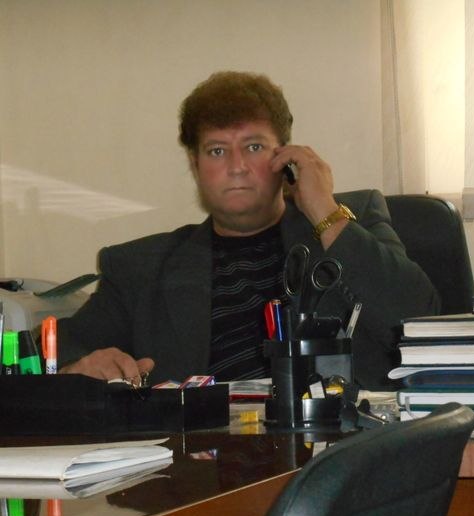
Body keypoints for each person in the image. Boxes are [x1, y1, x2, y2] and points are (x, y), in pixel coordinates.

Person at [57, 71, 440, 390]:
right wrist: (79, 367)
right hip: (206, 450)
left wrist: (325, 212)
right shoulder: (140, 268)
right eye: (217, 151)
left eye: (254, 147)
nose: (236, 166)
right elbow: (56, 353)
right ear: (195, 165)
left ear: (285, 158)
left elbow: (416, 320)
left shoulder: (346, 221)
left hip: (339, 442)